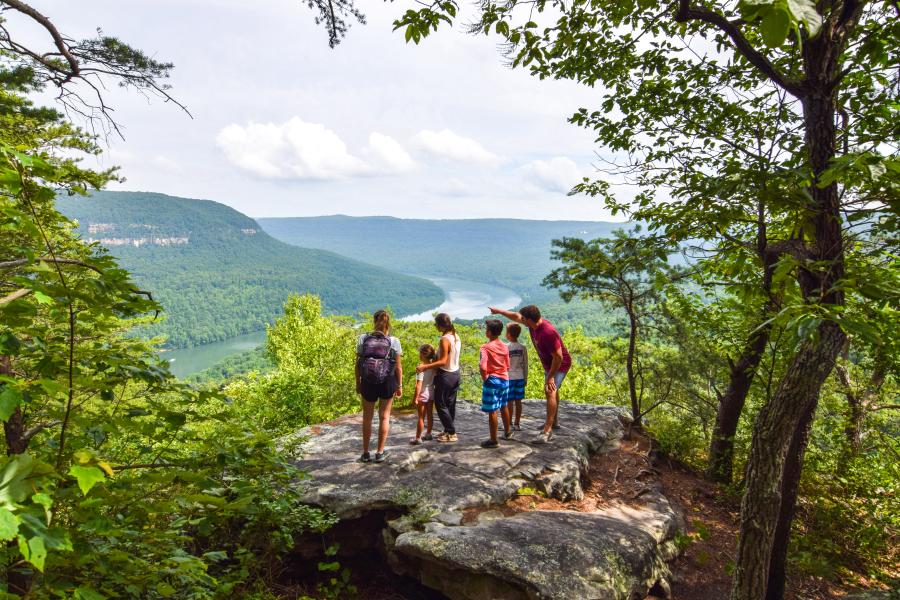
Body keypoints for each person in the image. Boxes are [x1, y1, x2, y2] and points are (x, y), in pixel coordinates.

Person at [488, 304, 571, 444]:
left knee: (550, 390)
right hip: (549, 364)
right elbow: (515, 316)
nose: (521, 321)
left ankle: (547, 430)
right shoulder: (533, 325)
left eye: (523, 319)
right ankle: (554, 422)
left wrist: (550, 377)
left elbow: (559, 357)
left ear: (529, 319)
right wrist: (499, 311)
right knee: (554, 391)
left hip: (560, 365)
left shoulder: (547, 332)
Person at [355, 309, 402, 462]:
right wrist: (399, 386)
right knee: (384, 417)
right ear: (389, 323)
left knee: (367, 418)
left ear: (374, 321)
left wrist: (358, 383)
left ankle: (366, 453)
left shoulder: (363, 338)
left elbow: (357, 364)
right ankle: (380, 453)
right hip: (387, 382)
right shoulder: (394, 341)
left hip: (368, 382)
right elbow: (398, 367)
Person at [416, 313, 461, 442]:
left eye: (436, 324)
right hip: (455, 373)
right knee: (450, 404)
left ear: (441, 325)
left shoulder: (444, 339)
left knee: (440, 404)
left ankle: (451, 432)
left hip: (446, 375)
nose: (435, 327)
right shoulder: (455, 336)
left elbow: (443, 361)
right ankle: (448, 430)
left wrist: (425, 367)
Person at [479, 319, 511, 448]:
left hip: (492, 380)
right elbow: (508, 365)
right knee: (504, 406)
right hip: (505, 379)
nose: (485, 331)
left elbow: (482, 366)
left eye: (487, 329)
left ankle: (493, 440)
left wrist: (485, 378)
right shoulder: (505, 346)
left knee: (493, 410)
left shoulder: (485, 347)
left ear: (489, 333)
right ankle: (507, 432)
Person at [410, 344, 437, 445]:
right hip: (431, 393)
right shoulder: (433, 367)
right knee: (430, 415)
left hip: (422, 394)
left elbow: (418, 385)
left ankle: (418, 438)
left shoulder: (421, 368)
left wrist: (415, 398)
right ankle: (429, 433)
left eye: (420, 352)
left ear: (423, 355)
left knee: (421, 417)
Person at [505, 323, 528, 431]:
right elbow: (525, 364)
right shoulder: (523, 348)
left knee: (509, 401)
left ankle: (508, 423)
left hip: (509, 377)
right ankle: (517, 423)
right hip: (520, 377)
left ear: (508, 334)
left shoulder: (506, 347)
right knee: (518, 401)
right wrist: (525, 378)